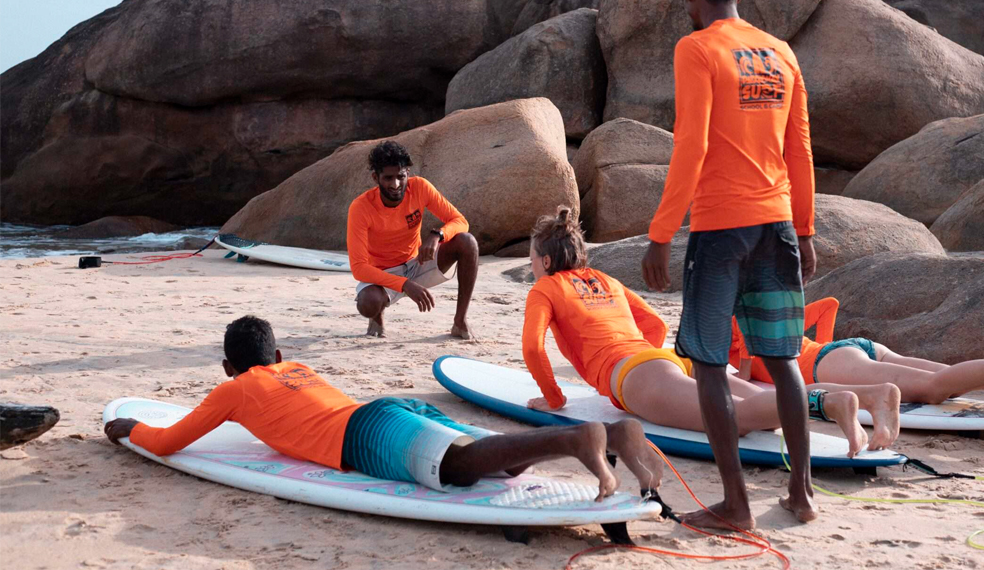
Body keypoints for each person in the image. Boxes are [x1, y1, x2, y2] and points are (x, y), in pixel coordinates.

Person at [639, 0, 817, 529]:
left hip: (721, 229)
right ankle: (802, 492)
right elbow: (800, 150)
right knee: (782, 358)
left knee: (711, 365)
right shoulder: (781, 53)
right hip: (777, 225)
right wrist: (806, 228)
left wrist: (662, 233)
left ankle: (736, 505)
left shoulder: (696, 48)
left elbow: (691, 145)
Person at [104, 316, 662, 499]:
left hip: (363, 435)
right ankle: (612, 438)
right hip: (387, 408)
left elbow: (171, 439)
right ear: (278, 354)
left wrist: (130, 429)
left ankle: (576, 439)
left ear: (229, 368)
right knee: (496, 460)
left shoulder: (234, 389)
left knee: (457, 470)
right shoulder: (298, 369)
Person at [522, 210, 896, 471]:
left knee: (739, 420)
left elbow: (533, 348)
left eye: (533, 258)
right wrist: (653, 359)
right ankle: (867, 395)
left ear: (548, 262)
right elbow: (652, 322)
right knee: (762, 409)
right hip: (668, 359)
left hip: (637, 374)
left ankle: (834, 404)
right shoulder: (605, 279)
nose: (532, 265)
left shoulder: (545, 288)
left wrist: (555, 397)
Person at [729, 298, 984, 416]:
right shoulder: (767, 303)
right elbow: (828, 306)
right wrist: (823, 347)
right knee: (950, 381)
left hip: (831, 362)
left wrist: (814, 364)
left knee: (934, 388)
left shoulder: (735, 320)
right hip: (851, 349)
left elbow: (745, 373)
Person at [348, 140, 479, 340]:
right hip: (383, 274)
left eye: (401, 176)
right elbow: (358, 268)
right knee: (368, 303)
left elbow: (460, 221)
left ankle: (460, 321)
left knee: (467, 242)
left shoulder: (420, 187)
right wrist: (404, 284)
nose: (395, 184)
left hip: (418, 262)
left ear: (408, 173)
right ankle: (376, 317)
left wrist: (438, 235)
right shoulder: (360, 207)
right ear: (376, 178)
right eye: (388, 178)